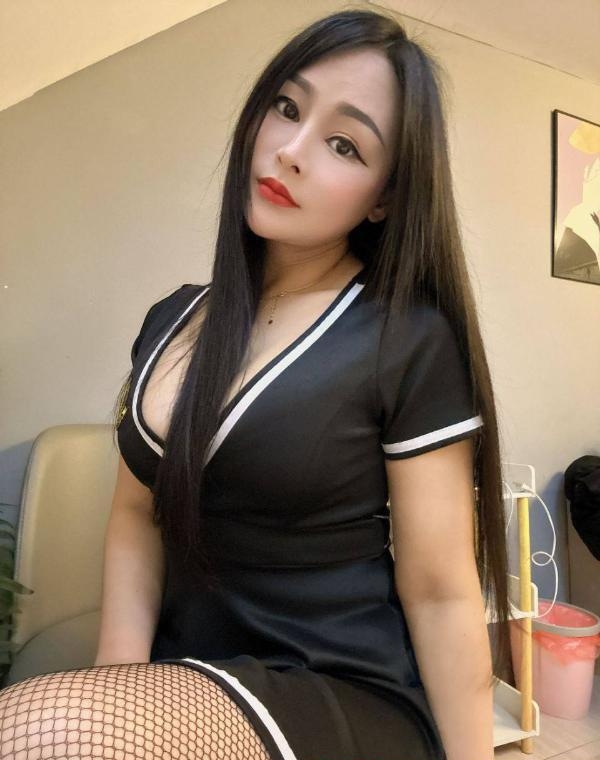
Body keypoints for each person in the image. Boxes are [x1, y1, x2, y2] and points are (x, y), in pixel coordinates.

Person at [0, 8, 511, 760]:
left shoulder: (406, 337)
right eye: (287, 107)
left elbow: (440, 591)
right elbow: (138, 518)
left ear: (383, 198)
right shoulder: (173, 317)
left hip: (334, 687)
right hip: (190, 675)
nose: (291, 152)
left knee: (30, 733)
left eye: (344, 144)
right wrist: (117, 688)